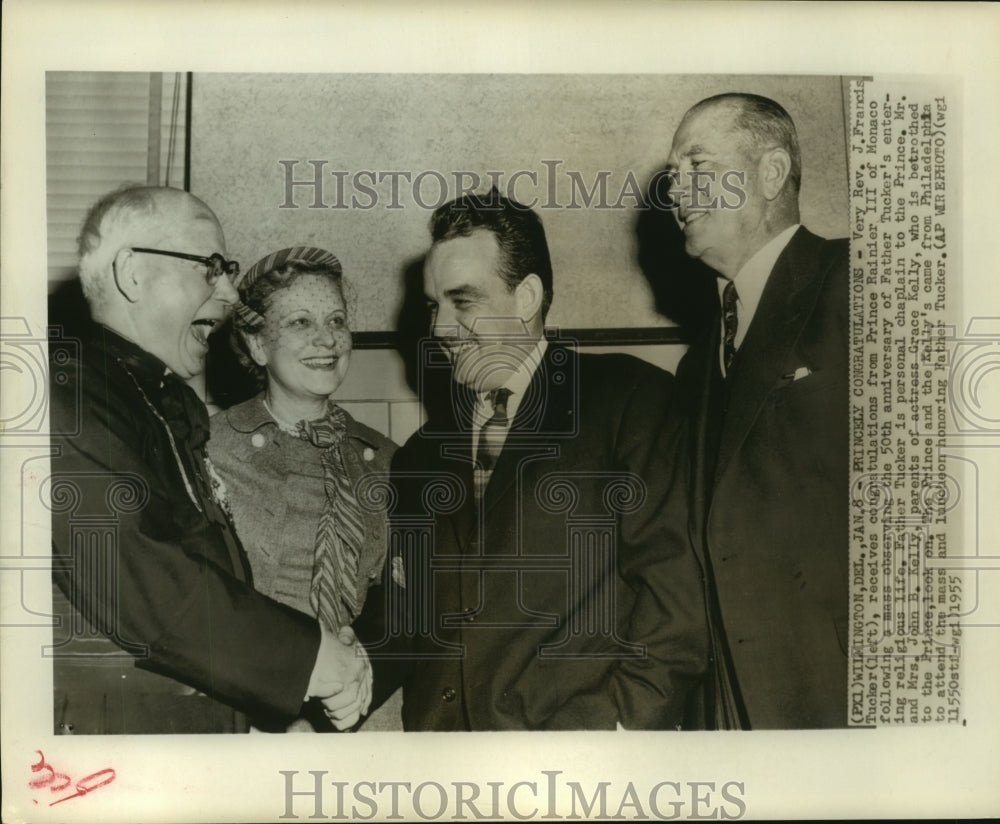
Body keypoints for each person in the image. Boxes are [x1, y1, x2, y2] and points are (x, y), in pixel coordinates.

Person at [351, 190, 707, 731]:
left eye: (463, 301)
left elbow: (676, 600)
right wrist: (330, 694)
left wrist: (614, 731)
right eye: (434, 305)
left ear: (527, 298)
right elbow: (406, 619)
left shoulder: (629, 401)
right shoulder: (421, 454)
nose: (440, 329)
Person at [48, 185, 369, 734]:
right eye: (211, 268)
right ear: (131, 273)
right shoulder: (70, 399)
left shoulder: (149, 397)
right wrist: (308, 656)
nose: (228, 292)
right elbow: (143, 581)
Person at [664, 93, 849, 728]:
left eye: (698, 167)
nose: (677, 192)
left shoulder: (859, 281)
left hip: (839, 695)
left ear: (771, 174)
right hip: (729, 709)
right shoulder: (697, 365)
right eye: (673, 177)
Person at [208, 247, 402, 731]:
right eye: (300, 322)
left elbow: (406, 603)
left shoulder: (389, 460)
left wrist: (363, 673)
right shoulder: (209, 450)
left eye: (336, 320)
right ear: (257, 345)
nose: (327, 339)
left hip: (363, 713)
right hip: (248, 718)